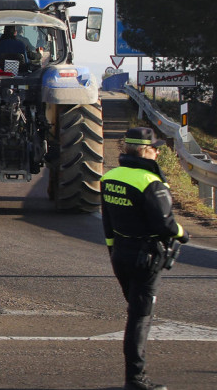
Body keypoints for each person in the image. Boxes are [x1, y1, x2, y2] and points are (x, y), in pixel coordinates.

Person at [100, 127, 191, 390]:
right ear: (144, 150)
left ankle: (135, 378)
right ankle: (136, 380)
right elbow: (166, 225)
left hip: (120, 254)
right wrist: (185, 234)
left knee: (135, 313)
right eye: (155, 147)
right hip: (146, 257)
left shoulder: (111, 176)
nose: (159, 151)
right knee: (140, 317)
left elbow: (107, 222)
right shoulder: (150, 182)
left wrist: (112, 250)